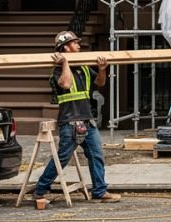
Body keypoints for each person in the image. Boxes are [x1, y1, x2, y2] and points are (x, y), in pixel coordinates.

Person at [33, 31, 121, 203]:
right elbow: (66, 83)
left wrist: (102, 70)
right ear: (65, 47)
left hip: (87, 120)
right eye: (74, 43)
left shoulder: (84, 67)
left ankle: (100, 191)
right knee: (62, 158)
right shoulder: (58, 70)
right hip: (70, 122)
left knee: (96, 156)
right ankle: (40, 189)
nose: (79, 45)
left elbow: (100, 83)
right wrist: (65, 63)